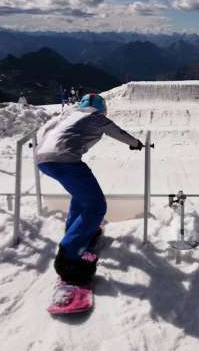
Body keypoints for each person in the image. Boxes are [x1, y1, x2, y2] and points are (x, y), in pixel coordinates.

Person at [36, 93, 143, 285]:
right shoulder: (96, 116)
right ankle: (69, 257)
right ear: (102, 108)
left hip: (43, 158)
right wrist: (136, 144)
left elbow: (45, 130)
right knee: (96, 206)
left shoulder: (67, 114)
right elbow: (117, 132)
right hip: (66, 160)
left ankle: (77, 230)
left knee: (81, 196)